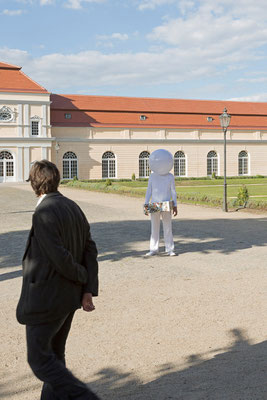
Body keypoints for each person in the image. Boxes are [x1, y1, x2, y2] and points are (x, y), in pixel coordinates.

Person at [16, 160, 100, 400]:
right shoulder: (72, 206)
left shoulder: (44, 211)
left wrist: (83, 277)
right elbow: (89, 249)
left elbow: (59, 258)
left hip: (47, 299)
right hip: (67, 298)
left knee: (39, 359)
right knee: (55, 355)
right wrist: (86, 289)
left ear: (34, 183)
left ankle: (84, 396)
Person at [144, 149, 177, 257]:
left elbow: (173, 191)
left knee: (167, 227)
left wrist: (175, 205)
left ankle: (169, 249)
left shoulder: (170, 176)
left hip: (166, 203)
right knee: (155, 227)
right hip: (155, 203)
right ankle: (154, 249)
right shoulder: (153, 176)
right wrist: (146, 203)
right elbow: (149, 190)